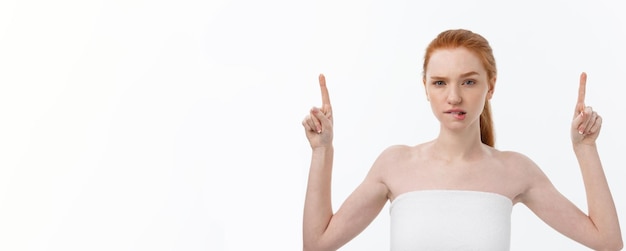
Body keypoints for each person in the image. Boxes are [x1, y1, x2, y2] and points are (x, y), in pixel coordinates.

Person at [301, 29, 623, 250]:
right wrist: (322, 151)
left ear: (491, 87)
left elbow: (607, 240)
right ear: (425, 88)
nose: (453, 97)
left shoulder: (515, 171)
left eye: (468, 82)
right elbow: (317, 243)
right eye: (440, 82)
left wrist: (586, 148)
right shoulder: (395, 165)